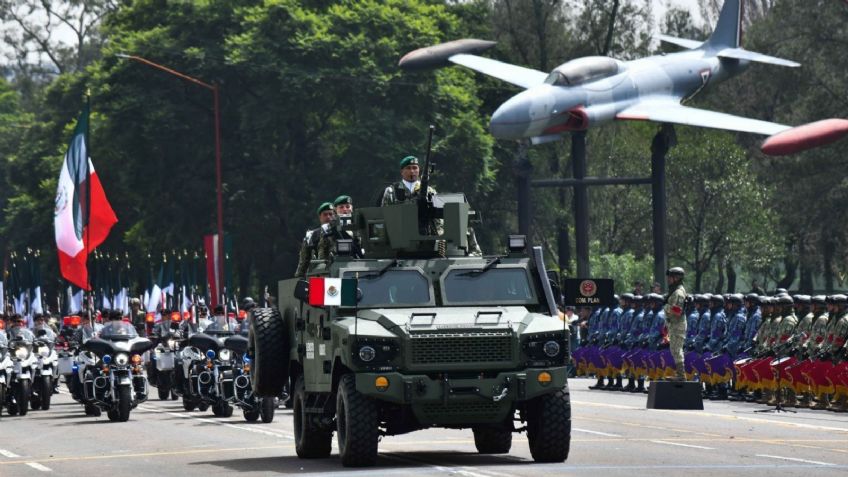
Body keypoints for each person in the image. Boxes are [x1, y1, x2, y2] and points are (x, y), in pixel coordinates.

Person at [295, 202, 335, 277]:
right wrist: (300, 277)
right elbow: (304, 262)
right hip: (319, 274)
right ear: (320, 217)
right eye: (325, 214)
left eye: (331, 214)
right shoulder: (312, 235)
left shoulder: (341, 233)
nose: (328, 217)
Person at [664, 267, 687, 381]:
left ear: (676, 278)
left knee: (677, 350)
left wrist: (665, 305)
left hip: (678, 325)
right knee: (674, 349)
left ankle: (681, 375)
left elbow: (677, 311)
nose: (668, 279)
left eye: (670, 277)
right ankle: (679, 374)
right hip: (674, 324)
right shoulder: (674, 291)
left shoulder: (678, 292)